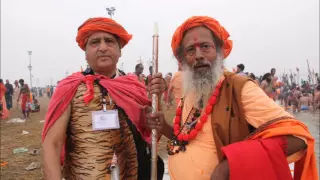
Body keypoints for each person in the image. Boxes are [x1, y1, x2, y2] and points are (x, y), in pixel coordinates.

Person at [146, 16, 317, 180]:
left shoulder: (240, 88)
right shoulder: (190, 89)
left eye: (205, 47)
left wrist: (230, 165)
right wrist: (165, 128)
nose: (198, 55)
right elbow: (186, 139)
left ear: (219, 52)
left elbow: (299, 138)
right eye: (191, 50)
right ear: (183, 60)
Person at [42, 17, 166, 180]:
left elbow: (151, 134)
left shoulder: (134, 87)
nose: (102, 47)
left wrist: (158, 103)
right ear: (85, 52)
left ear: (120, 50)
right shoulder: (70, 87)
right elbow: (52, 144)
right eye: (94, 42)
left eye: (109, 41)